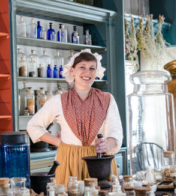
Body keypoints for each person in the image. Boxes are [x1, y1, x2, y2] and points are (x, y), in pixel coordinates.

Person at [27, 49, 123, 185]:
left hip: (100, 161)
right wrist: (59, 143)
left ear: (97, 72)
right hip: (69, 160)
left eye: (92, 68)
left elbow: (115, 131)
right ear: (72, 71)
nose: (87, 72)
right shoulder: (58, 100)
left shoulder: (107, 99)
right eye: (82, 67)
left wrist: (107, 145)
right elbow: (33, 125)